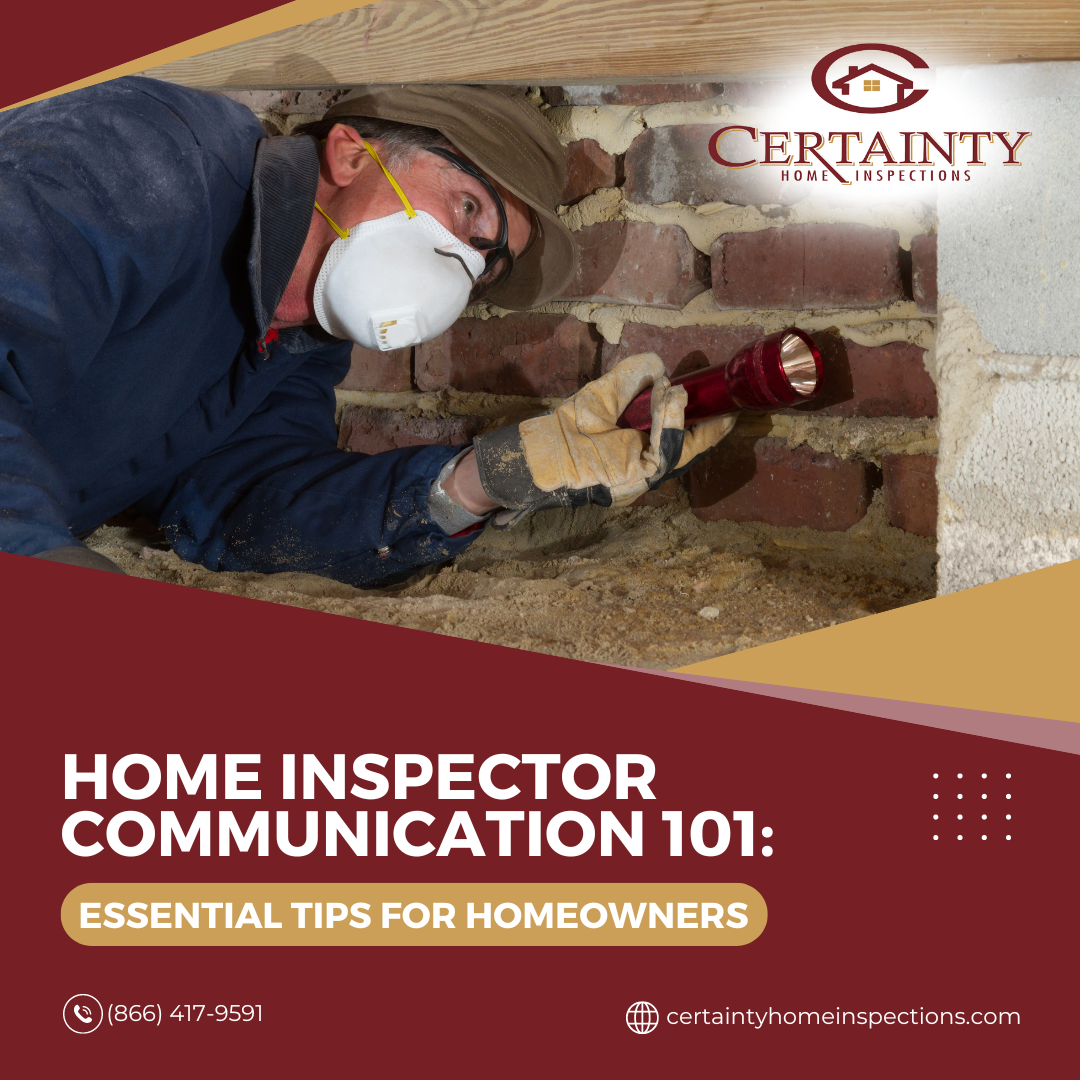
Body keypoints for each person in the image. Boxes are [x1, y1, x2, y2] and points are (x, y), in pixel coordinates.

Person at [0, 78, 733, 587]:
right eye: (469, 209)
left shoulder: (300, 349)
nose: (465, 263)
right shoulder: (143, 158)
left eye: (488, 262)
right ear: (351, 155)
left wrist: (481, 480)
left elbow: (247, 507)